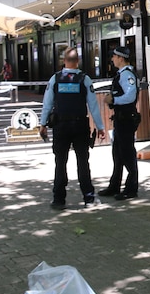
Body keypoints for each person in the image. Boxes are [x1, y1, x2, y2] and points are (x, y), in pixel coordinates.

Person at [39, 48, 106, 209]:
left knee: (60, 162)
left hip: (60, 127)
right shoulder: (85, 79)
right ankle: (89, 198)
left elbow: (47, 104)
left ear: (64, 61)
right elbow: (93, 105)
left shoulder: (55, 79)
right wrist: (100, 127)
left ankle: (58, 199)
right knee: (83, 162)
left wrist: (42, 124)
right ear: (77, 62)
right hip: (79, 126)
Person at [98, 46, 141, 200]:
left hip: (126, 119)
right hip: (121, 118)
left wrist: (114, 100)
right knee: (118, 153)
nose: (112, 59)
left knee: (127, 154)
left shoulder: (126, 75)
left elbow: (130, 96)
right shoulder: (122, 75)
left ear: (121, 58)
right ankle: (114, 185)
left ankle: (131, 189)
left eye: (114, 57)